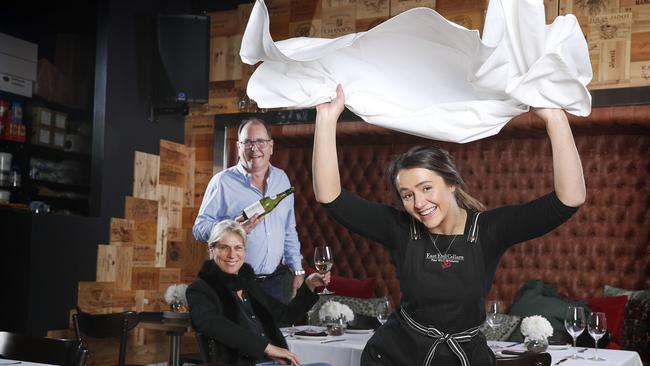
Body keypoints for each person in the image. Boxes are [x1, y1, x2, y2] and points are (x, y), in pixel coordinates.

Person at [312, 85, 586, 366]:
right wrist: (326, 117)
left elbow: (570, 199)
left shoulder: (489, 229)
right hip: (396, 356)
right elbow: (330, 196)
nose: (419, 202)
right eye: (407, 195)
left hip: (465, 356)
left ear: (452, 184)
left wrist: (554, 119)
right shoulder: (401, 229)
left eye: (427, 187)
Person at [187, 219, 331, 366]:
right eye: (224, 247)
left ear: (244, 251)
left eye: (238, 248)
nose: (232, 254)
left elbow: (285, 316)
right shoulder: (200, 289)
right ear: (211, 250)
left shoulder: (249, 286)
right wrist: (267, 348)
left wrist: (309, 285)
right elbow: (213, 324)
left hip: (271, 362)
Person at [193, 118, 305, 304]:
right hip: (234, 283)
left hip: (274, 284)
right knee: (235, 333)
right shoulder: (222, 181)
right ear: (238, 147)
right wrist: (231, 229)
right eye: (248, 142)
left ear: (271, 146)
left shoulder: (282, 180)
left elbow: (288, 230)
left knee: (274, 333)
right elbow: (199, 228)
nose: (254, 148)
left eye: (260, 141)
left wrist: (298, 269)